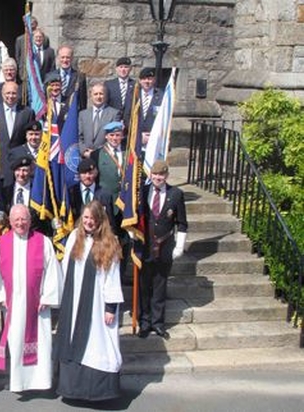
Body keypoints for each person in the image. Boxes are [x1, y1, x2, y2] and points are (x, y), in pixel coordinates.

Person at [54, 200, 124, 402]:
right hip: (75, 303)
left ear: (100, 220)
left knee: (97, 344)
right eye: (85, 218)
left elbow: (112, 276)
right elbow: (66, 268)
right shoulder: (75, 238)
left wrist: (110, 307)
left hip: (97, 304)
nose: (88, 222)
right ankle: (72, 389)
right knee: (73, 340)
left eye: (92, 218)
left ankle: (98, 392)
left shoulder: (109, 243)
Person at [0, 204, 63, 393]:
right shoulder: (1, 243)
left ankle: (42, 382)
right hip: (13, 304)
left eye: (24, 219)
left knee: (42, 343)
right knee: (16, 342)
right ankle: (19, 383)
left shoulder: (43, 241)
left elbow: (53, 270)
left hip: (38, 304)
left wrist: (48, 296)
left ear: (30, 221)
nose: (20, 223)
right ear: (10, 222)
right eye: (16, 220)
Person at [138, 160, 188, 340]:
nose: (158, 178)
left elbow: (182, 223)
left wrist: (179, 246)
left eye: (161, 175)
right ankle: (144, 322)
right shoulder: (142, 193)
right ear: (150, 175)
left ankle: (157, 323)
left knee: (160, 286)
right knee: (144, 287)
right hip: (144, 248)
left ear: (166, 176)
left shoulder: (176, 194)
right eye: (155, 175)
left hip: (165, 247)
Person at [0, 81, 35, 184]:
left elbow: (30, 138)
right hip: (0, 164)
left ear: (18, 94)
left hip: (21, 166)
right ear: (2, 94)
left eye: (13, 93)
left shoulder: (27, 112)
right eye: (8, 93)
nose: (11, 96)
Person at [123, 67, 162, 151]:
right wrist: (138, 135)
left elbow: (163, 118)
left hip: (154, 139)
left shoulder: (161, 96)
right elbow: (127, 116)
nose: (147, 81)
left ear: (154, 80)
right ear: (140, 81)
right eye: (144, 79)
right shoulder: (132, 94)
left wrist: (152, 136)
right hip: (135, 138)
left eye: (149, 79)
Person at [79, 81, 121, 155]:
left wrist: (98, 152)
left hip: (105, 155)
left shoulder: (114, 113)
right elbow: (79, 136)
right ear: (91, 96)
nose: (98, 97)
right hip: (86, 156)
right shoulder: (83, 114)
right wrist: (84, 151)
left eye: (101, 94)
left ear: (105, 96)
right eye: (95, 94)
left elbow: (114, 136)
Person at [91, 121, 126, 201]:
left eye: (117, 135)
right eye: (111, 135)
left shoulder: (128, 152)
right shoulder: (96, 154)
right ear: (106, 136)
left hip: (125, 199)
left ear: (122, 136)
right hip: (106, 199)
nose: (114, 138)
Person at [50, 45, 87, 112]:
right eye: (62, 57)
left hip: (72, 115)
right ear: (58, 58)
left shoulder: (80, 77)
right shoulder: (50, 76)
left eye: (68, 57)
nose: (65, 60)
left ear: (72, 58)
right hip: (55, 115)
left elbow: (83, 102)